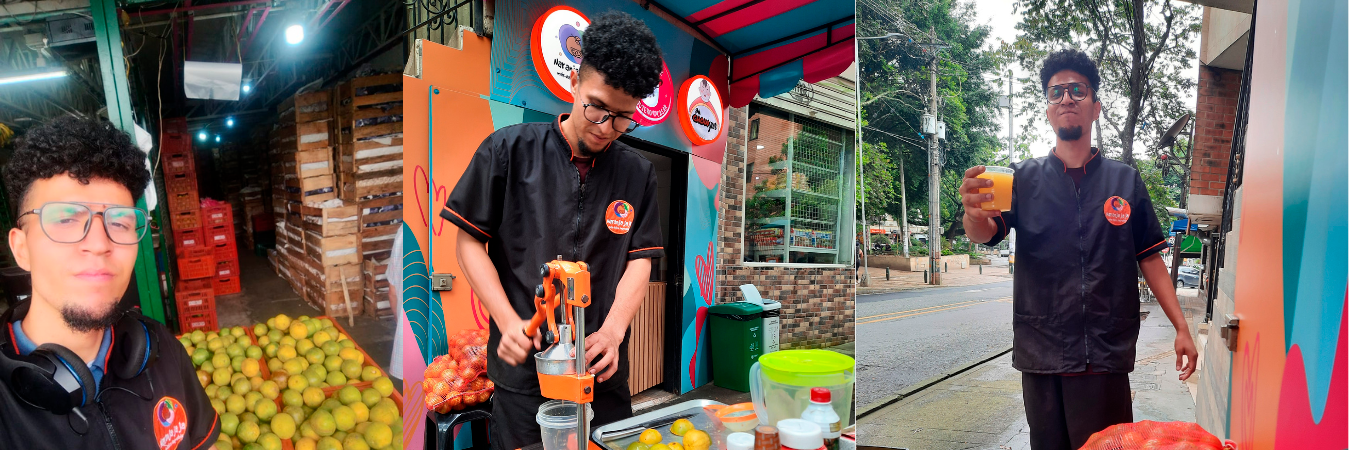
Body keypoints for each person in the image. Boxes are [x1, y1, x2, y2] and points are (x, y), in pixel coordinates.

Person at [441, 11, 665, 450]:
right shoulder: (508, 150)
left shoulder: (637, 173)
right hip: (525, 376)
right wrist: (508, 324)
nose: (607, 127)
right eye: (597, 106)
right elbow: (469, 242)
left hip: (601, 372)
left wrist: (615, 330)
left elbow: (640, 260)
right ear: (574, 85)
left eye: (622, 118)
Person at [959, 49, 1198, 449]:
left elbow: (1150, 259)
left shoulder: (1124, 181)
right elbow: (983, 232)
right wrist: (972, 211)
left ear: (1095, 107)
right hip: (1043, 355)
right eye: (1056, 93)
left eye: (1077, 90)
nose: (1066, 98)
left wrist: (1182, 327)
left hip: (1105, 357)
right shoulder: (1022, 179)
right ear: (1049, 111)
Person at [0, 116, 221, 449]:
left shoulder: (161, 348)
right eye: (65, 219)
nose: (100, 243)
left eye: (120, 223)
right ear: (21, 248)